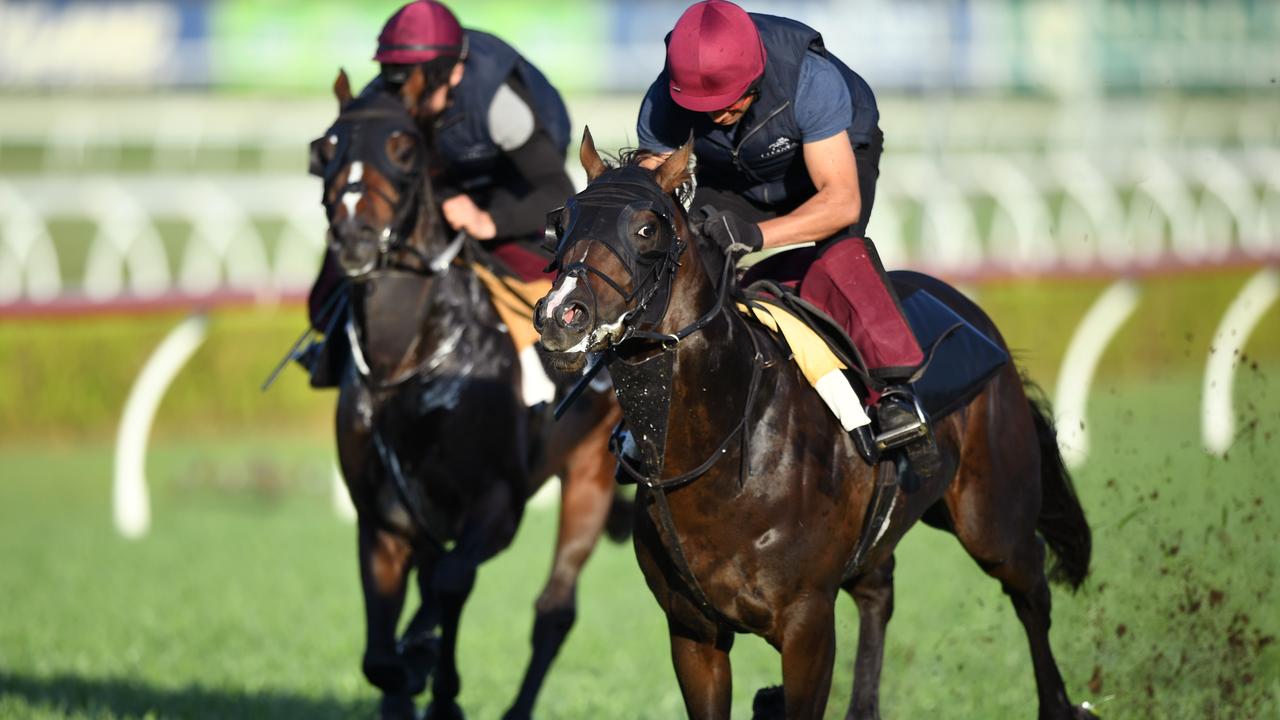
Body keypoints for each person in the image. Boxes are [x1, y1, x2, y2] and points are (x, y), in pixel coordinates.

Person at [635, 0, 940, 475]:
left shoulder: (810, 78)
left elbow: (840, 203)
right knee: (688, 256)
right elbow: (650, 192)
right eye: (703, 108)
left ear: (754, 79)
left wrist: (755, 234)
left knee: (837, 253)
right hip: (732, 176)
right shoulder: (664, 99)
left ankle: (896, 394)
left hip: (826, 166)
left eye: (727, 104)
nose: (715, 117)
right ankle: (662, 405)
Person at [302, 0, 573, 396]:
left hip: (510, 190)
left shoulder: (497, 102)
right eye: (394, 79)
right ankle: (336, 351)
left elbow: (556, 190)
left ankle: (562, 381)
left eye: (411, 81)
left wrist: (487, 220)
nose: (399, 94)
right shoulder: (388, 94)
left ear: (452, 74)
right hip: (439, 191)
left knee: (544, 279)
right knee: (338, 268)